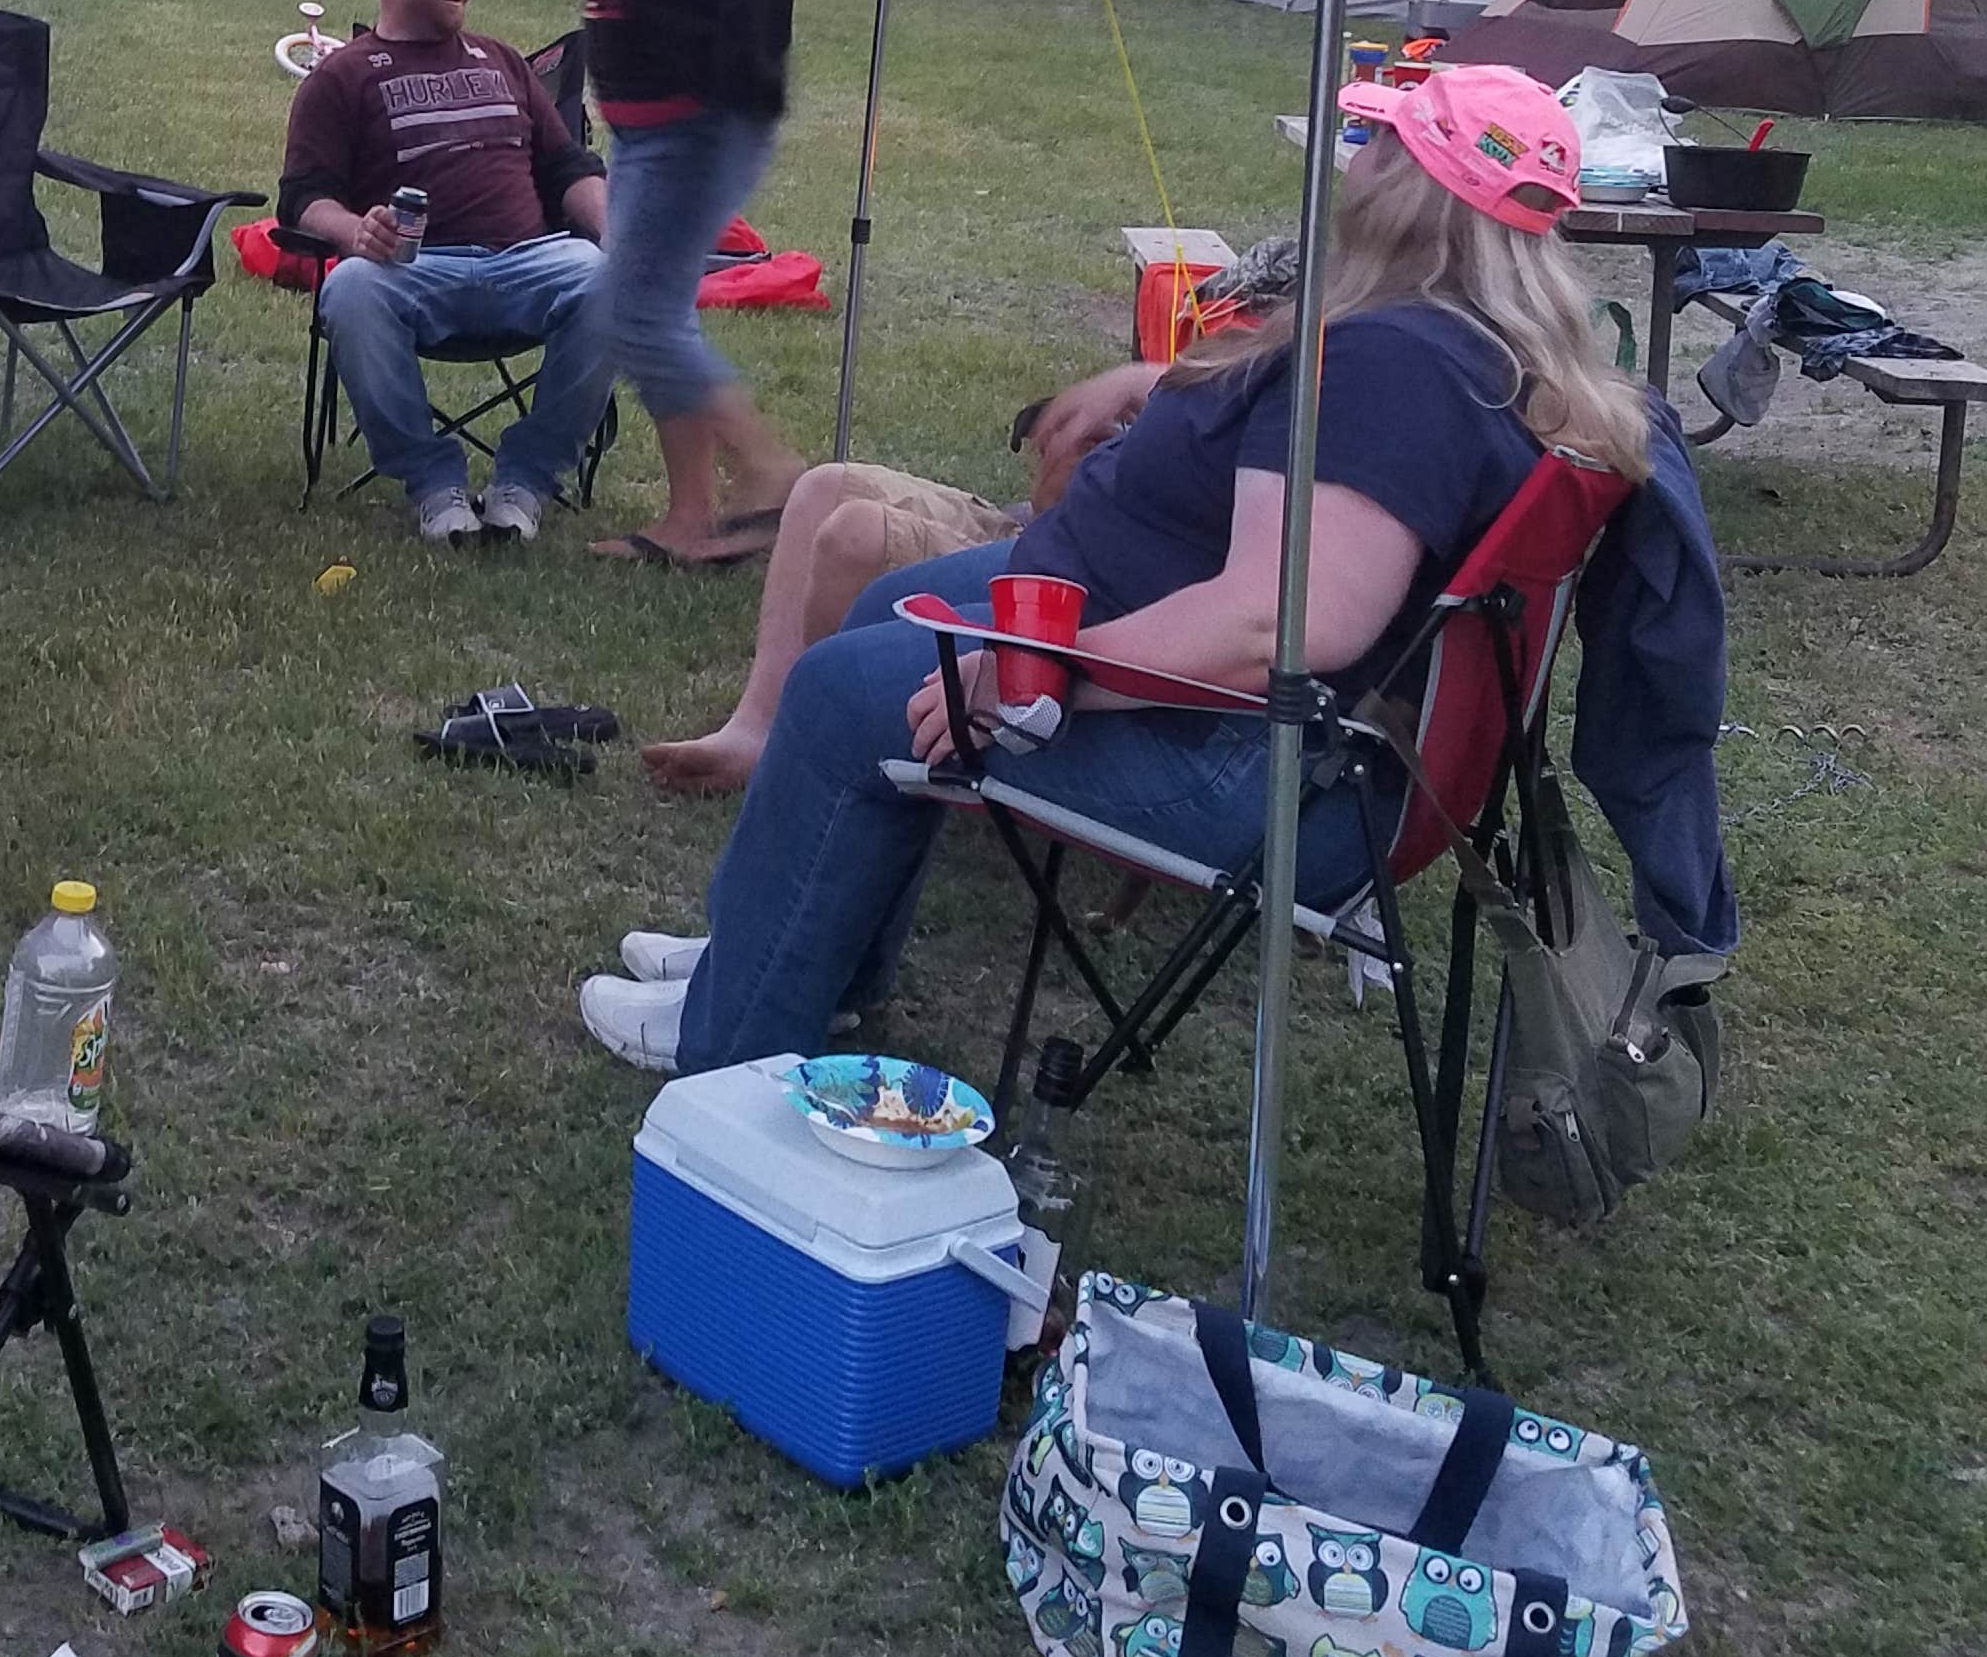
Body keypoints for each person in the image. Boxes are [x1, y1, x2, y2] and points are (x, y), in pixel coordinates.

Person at [579, 62, 1654, 1073]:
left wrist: (1038, 679)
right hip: (1253, 718)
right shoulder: (1460, 338)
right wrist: (1164, 380)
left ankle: (734, 1034)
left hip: (1248, 763)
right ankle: (801, 967)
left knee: (836, 695)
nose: (1352, 160)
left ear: (1415, 188)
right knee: (880, 608)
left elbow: (1279, 626)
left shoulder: (1393, 370)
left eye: (1376, 143)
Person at [528, 0, 802, 569]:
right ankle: (691, 523)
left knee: (634, 318)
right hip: (643, 129)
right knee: (656, 318)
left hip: (698, 119)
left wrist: (737, 77)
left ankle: (770, 472)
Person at [280, 0, 612, 544]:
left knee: (609, 280)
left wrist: (611, 226)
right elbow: (302, 198)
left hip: (528, 261)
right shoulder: (344, 75)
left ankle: (526, 480)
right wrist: (357, 235)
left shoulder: (504, 62)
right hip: (413, 269)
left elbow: (569, 166)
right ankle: (434, 484)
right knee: (351, 289)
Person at [635, 386, 1137, 793]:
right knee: (824, 487)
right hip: (1025, 530)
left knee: (857, 534)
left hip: (1067, 573)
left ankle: (812, 754)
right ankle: (754, 730)